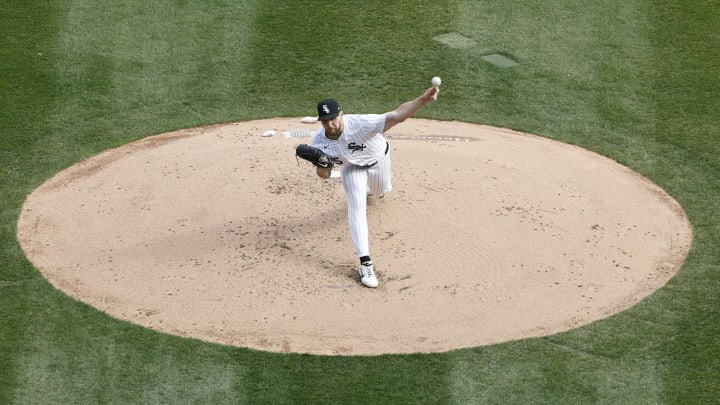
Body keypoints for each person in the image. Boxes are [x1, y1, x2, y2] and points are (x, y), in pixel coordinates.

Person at [308, 85, 440, 288]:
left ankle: (372, 189)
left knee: (381, 192)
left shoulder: (361, 124)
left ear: (341, 115)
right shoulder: (319, 141)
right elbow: (324, 175)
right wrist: (322, 164)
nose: (330, 124)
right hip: (351, 168)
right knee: (356, 208)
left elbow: (397, 116)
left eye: (333, 118)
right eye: (325, 121)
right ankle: (365, 263)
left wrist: (423, 99)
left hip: (378, 159)